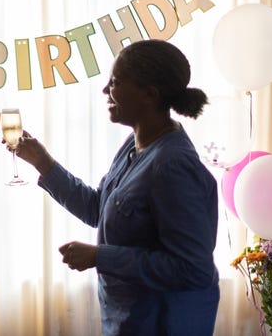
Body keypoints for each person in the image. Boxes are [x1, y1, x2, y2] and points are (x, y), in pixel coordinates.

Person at [12, 39, 219, 335]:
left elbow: (191, 269)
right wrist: (43, 163)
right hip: (128, 322)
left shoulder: (172, 166)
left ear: (149, 94)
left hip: (164, 324)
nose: (105, 90)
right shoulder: (135, 146)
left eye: (116, 82)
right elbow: (100, 210)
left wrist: (100, 256)